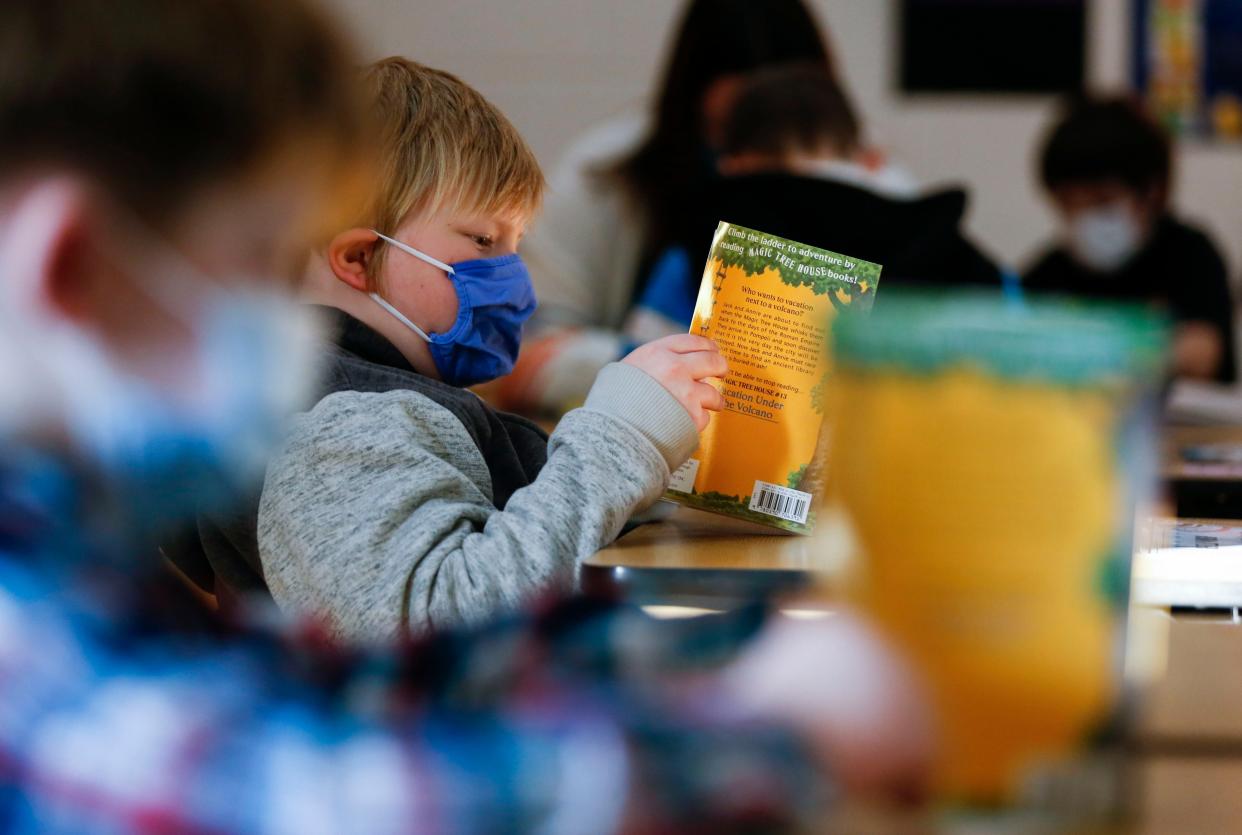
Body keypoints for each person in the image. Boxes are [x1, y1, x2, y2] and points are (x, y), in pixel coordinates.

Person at [0, 1, 933, 830]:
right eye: (252, 265)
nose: (283, 319)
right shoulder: (27, 642)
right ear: (68, 265)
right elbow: (347, 780)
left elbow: (348, 668)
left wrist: (740, 643)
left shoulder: (82, 561)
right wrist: (782, 732)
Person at [245, 58, 727, 640]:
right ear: (359, 259)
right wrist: (622, 438)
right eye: (481, 239)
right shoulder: (340, 429)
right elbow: (439, 634)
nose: (511, 276)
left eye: (513, 245)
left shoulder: (398, 407)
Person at [505, 0, 918, 415]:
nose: (784, 194)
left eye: (799, 166)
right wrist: (670, 364)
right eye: (738, 134)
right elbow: (523, 359)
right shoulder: (618, 187)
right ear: (729, 162)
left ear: (864, 163)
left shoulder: (885, 197)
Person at [620, 64, 1003, 343]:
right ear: (868, 158)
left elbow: (637, 376)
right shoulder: (952, 251)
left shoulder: (700, 249)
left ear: (730, 164)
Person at [1023, 96, 1237, 383]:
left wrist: (1089, 354)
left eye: (1101, 201)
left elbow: (1202, 355)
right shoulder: (1048, 273)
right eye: (1069, 203)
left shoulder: (1190, 254)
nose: (1084, 217)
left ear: (1151, 191)